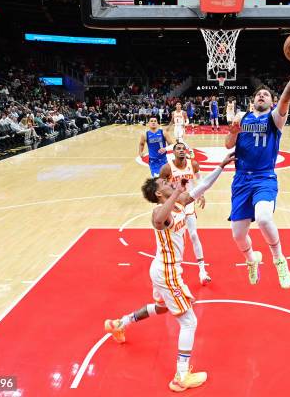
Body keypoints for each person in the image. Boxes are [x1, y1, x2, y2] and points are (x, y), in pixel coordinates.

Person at [104, 152, 236, 393]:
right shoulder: (158, 212)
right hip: (167, 272)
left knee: (165, 307)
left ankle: (119, 323)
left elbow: (203, 185)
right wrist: (176, 192)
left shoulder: (179, 201)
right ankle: (181, 376)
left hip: (162, 269)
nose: (170, 180)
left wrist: (221, 166)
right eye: (165, 183)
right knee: (189, 321)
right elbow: (159, 219)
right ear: (158, 193)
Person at [225, 45, 290, 289]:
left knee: (264, 218)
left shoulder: (275, 118)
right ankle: (252, 260)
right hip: (241, 180)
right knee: (238, 235)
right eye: (259, 95)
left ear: (273, 102)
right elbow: (227, 145)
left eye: (266, 95)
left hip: (264, 178)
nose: (262, 96)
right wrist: (232, 133)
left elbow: (287, 96)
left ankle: (279, 259)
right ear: (253, 101)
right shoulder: (241, 118)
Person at [159, 142, 211, 285]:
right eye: (178, 149)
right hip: (174, 205)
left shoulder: (193, 164)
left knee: (193, 234)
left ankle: (202, 270)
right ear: (173, 152)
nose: (181, 150)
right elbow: (160, 186)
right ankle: (173, 268)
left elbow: (200, 180)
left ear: (186, 151)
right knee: (177, 237)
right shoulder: (167, 168)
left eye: (183, 149)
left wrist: (201, 194)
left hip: (188, 203)